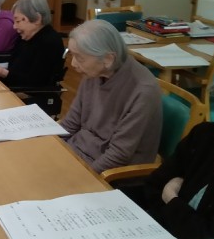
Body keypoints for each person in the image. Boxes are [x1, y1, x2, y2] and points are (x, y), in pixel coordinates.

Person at [60, 19, 162, 173]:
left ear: (108, 59)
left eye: (79, 58)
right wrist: (49, 146)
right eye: (71, 55)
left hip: (109, 173)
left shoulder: (143, 91)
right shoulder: (94, 72)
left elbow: (118, 156)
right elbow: (70, 123)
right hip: (78, 153)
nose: (73, 64)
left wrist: (82, 178)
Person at [142, 80, 214, 239]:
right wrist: (174, 212)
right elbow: (154, 185)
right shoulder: (204, 134)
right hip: (159, 229)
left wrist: (171, 198)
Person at [0, 0, 65, 88]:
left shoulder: (49, 43)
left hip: (26, 92)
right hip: (14, 85)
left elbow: (35, 83)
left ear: (37, 19)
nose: (14, 26)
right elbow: (13, 56)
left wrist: (3, 73)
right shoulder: (27, 35)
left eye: (18, 21)